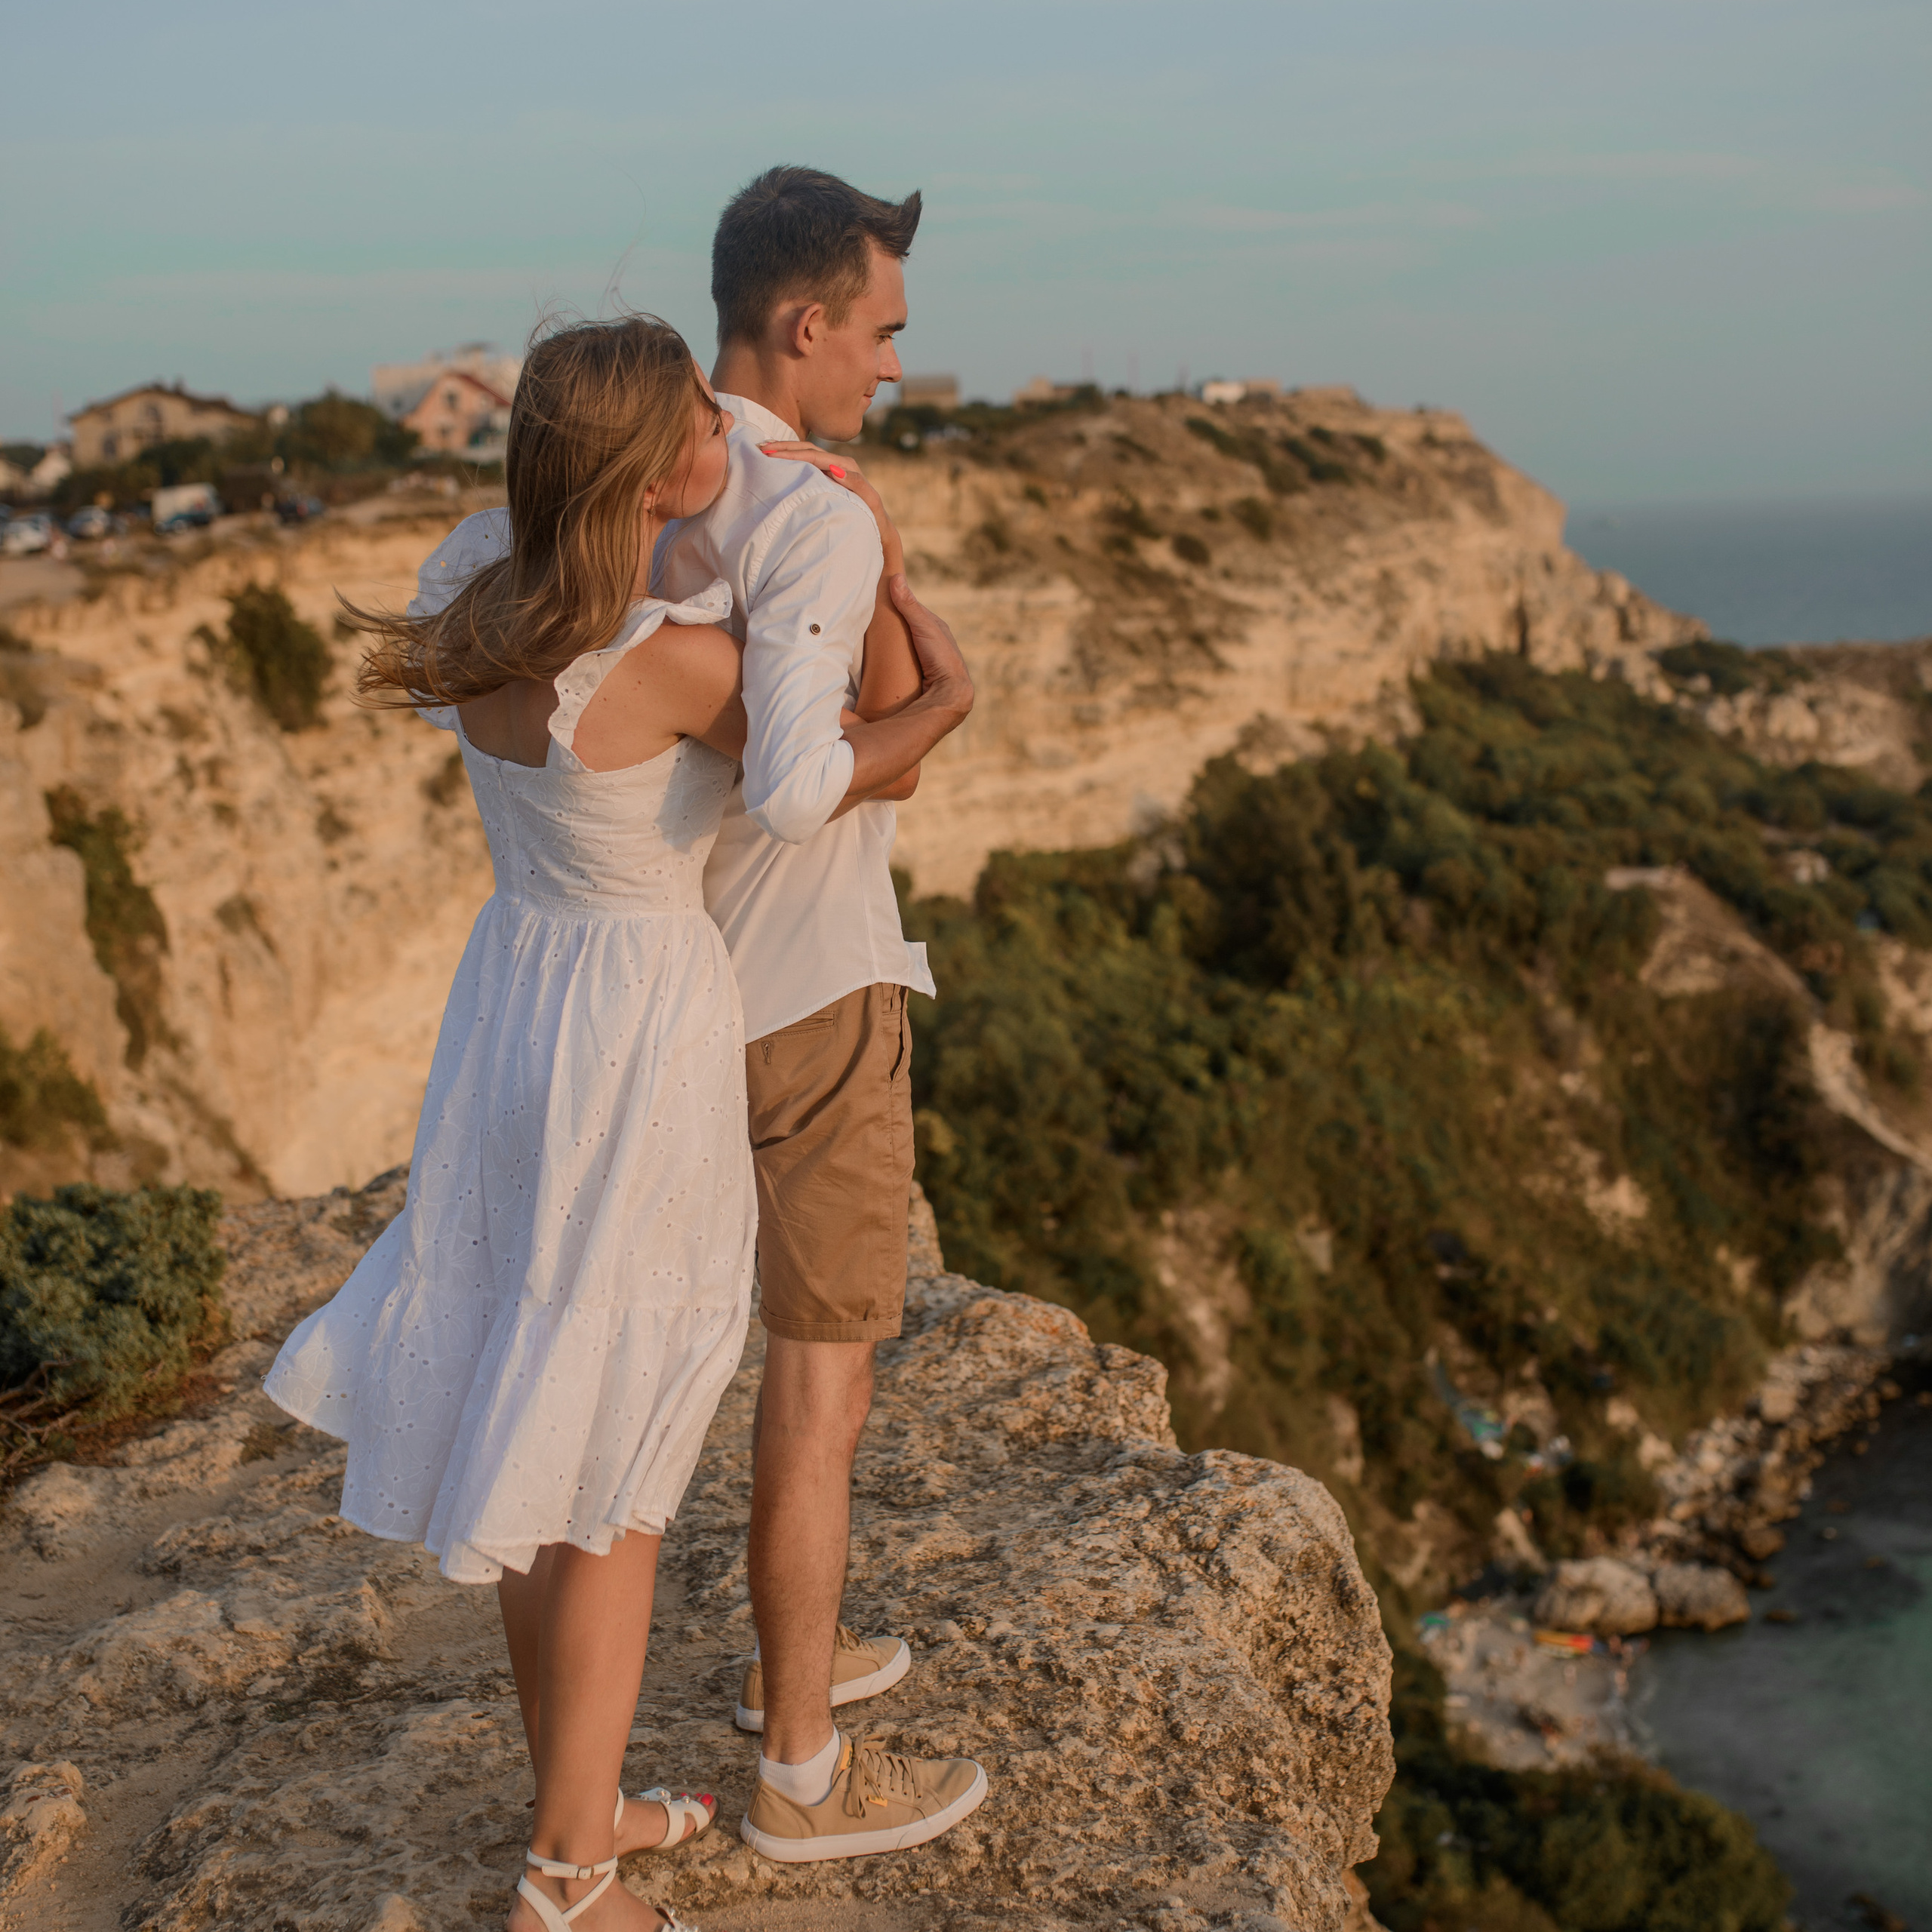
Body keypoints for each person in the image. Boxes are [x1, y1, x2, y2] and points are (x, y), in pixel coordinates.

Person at [262, 312, 965, 1930]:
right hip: (636, 1033)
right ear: (658, 472)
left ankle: (577, 1808)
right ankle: (564, 1882)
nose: (727, 447)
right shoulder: (667, 663)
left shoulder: (473, 604)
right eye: (700, 436)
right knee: (620, 1470)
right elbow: (850, 764)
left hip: (510, 1008)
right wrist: (926, 650)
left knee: (535, 1413)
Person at [652, 165, 983, 1863]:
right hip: (814, 995)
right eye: (882, 332)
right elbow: (833, 782)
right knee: (817, 1390)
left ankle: (802, 1646)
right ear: (806, 324)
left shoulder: (646, 483)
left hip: (674, 988)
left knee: (728, 1373)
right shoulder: (817, 510)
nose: (894, 367)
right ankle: (798, 1767)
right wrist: (941, 700)